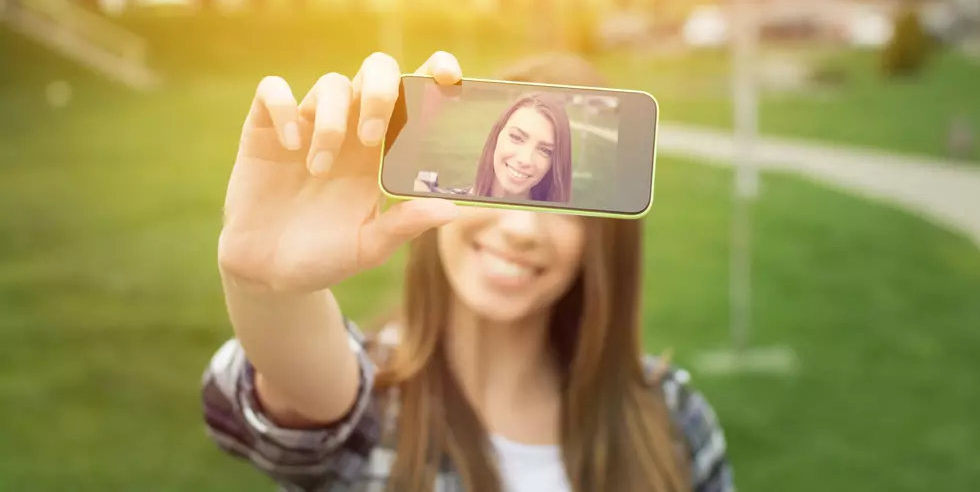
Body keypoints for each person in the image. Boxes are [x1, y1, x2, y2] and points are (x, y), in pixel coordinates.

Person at [202, 51, 734, 492]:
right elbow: (296, 383)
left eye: (560, 202)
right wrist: (265, 286)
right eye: (506, 171)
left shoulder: (671, 419)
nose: (522, 229)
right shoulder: (372, 403)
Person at [415, 92, 573, 203]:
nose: (525, 159)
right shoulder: (442, 207)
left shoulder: (558, 235)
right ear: (496, 136)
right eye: (516, 137)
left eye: (544, 150)